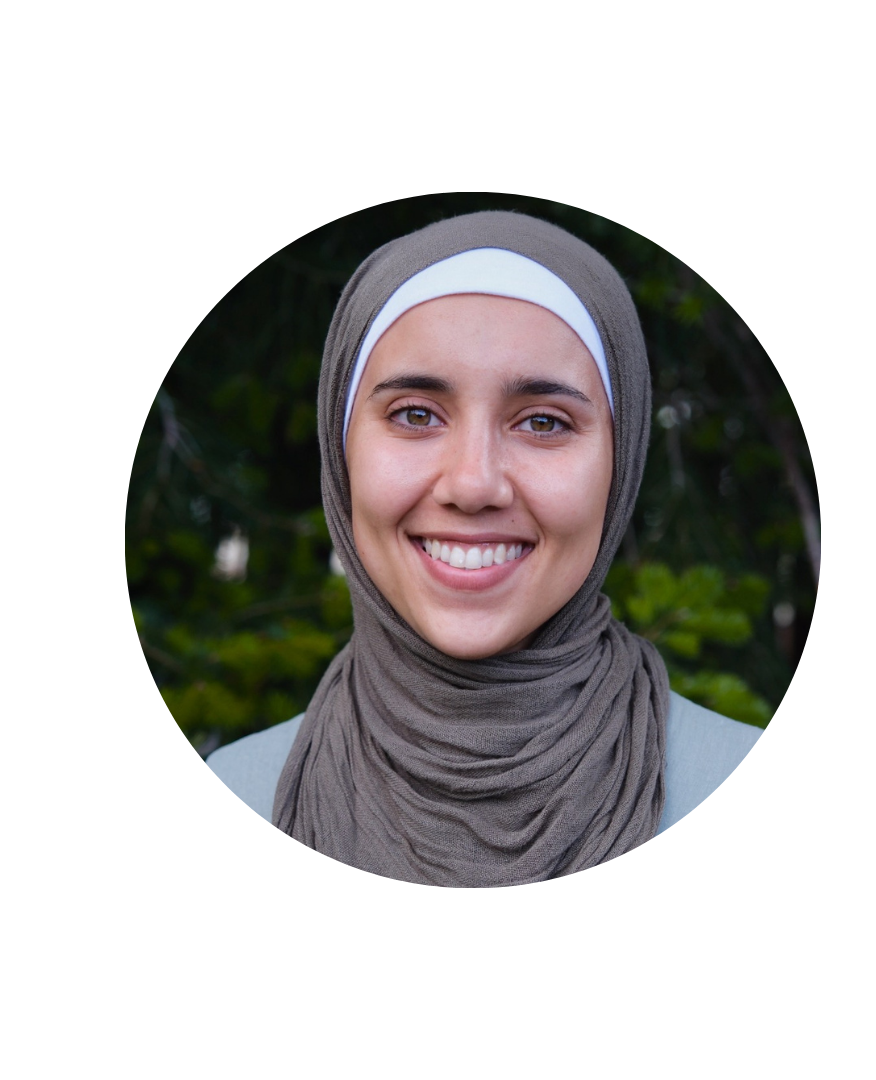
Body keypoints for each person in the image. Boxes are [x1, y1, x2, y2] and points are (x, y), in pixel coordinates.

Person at [206, 210, 763, 886]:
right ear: (340, 449)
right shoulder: (240, 788)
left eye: (543, 422)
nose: (473, 484)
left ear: (621, 468)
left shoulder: (723, 772)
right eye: (416, 414)